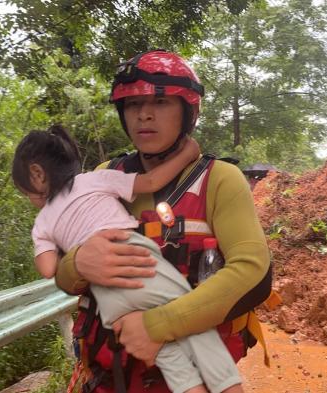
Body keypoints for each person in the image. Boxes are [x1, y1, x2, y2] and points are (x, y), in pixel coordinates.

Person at [54, 49, 272, 393]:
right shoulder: (104, 176)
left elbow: (253, 272)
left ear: (188, 112)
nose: (143, 115)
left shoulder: (218, 179)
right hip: (107, 379)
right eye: (132, 105)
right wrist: (81, 262)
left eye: (160, 103)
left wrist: (156, 326)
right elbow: (65, 275)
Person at [12, 125, 245, 393]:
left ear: (37, 174)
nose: (29, 199)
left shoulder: (41, 223)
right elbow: (150, 182)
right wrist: (188, 153)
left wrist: (68, 248)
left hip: (109, 298)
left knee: (167, 354)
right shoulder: (93, 179)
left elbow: (48, 268)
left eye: (25, 193)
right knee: (196, 329)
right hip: (139, 265)